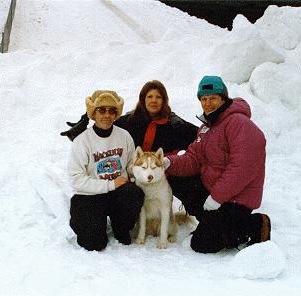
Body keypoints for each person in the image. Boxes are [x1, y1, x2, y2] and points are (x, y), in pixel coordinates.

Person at [164, 75, 271, 253]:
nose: (208, 103)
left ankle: (255, 224)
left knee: (202, 244)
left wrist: (216, 198)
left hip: (236, 199)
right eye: (204, 99)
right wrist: (168, 163)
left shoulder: (239, 123)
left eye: (213, 98)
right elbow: (193, 159)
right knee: (173, 175)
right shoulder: (208, 126)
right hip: (214, 192)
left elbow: (242, 169)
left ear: (223, 99)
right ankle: (210, 221)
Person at [62, 80, 198, 209]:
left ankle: (203, 220)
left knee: (192, 185)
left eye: (159, 97)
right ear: (143, 99)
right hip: (136, 175)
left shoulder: (174, 124)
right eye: (150, 96)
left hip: (162, 173)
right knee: (132, 194)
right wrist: (83, 127)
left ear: (164, 100)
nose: (154, 100)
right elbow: (104, 124)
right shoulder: (129, 121)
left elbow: (203, 138)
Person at [68, 90, 144, 251]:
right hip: (90, 196)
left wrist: (142, 171)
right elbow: (76, 179)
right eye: (101, 110)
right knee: (93, 244)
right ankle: (92, 222)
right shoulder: (82, 141)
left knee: (134, 193)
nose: (107, 115)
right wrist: (109, 184)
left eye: (112, 110)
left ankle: (120, 225)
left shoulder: (124, 136)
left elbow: (131, 165)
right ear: (93, 113)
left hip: (118, 193)